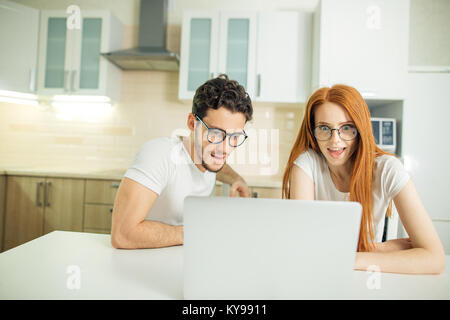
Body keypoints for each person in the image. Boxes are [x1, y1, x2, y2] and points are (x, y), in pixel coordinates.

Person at [282, 84, 445, 274]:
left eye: (347, 128)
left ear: (360, 129)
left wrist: (351, 257)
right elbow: (305, 250)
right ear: (312, 132)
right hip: (322, 273)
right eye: (324, 128)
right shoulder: (306, 165)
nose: (335, 140)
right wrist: (377, 248)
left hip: (366, 275)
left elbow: (434, 259)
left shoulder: (387, 168)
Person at [111, 74, 253, 249]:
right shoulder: (160, 154)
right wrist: (196, 231)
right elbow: (122, 234)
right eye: (215, 133)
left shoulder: (207, 155)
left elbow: (219, 164)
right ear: (192, 123)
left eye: (235, 136)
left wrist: (237, 179)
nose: (225, 148)